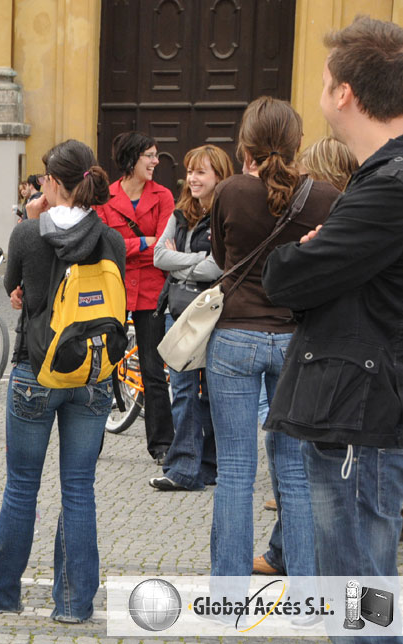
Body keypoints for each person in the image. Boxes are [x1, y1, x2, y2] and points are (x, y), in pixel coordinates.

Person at [262, 15, 403, 613]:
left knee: (358, 598)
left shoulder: (387, 186)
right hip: (359, 404)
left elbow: (286, 276)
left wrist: (309, 251)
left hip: (357, 416)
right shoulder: (382, 180)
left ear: (344, 94)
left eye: (323, 83)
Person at [0, 139, 123, 623]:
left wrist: (31, 218)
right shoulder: (108, 238)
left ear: (51, 182)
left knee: (22, 486)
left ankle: (0, 592)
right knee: (79, 488)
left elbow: (13, 288)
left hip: (36, 370)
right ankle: (72, 603)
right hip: (91, 374)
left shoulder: (28, 234)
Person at [206, 96, 339, 588]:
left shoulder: (231, 191)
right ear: (296, 141)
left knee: (236, 469)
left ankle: (229, 588)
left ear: (246, 143)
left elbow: (223, 258)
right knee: (295, 470)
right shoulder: (325, 197)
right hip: (294, 339)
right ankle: (306, 589)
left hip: (235, 336)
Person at [254, 134, 357, 577]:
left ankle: (295, 562)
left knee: (305, 460)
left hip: (333, 361)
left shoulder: (341, 223)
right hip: (339, 359)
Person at [149, 145, 233, 491]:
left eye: (202, 172)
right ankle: (182, 468)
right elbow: (158, 257)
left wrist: (181, 259)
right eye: (192, 171)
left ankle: (210, 465)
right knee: (182, 390)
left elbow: (218, 265)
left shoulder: (226, 213)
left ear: (219, 177)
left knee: (213, 392)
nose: (194, 179)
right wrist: (195, 260)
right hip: (179, 310)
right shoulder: (181, 212)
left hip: (213, 312)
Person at [96, 131, 175, 464]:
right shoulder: (105, 197)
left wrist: (137, 245)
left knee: (153, 369)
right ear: (131, 159)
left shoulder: (164, 195)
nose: (156, 162)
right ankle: (90, 440)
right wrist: (144, 243)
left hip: (152, 291)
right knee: (101, 366)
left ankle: (162, 445)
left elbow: (164, 246)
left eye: (157, 156)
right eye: (151, 156)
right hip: (114, 287)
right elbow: (105, 244)